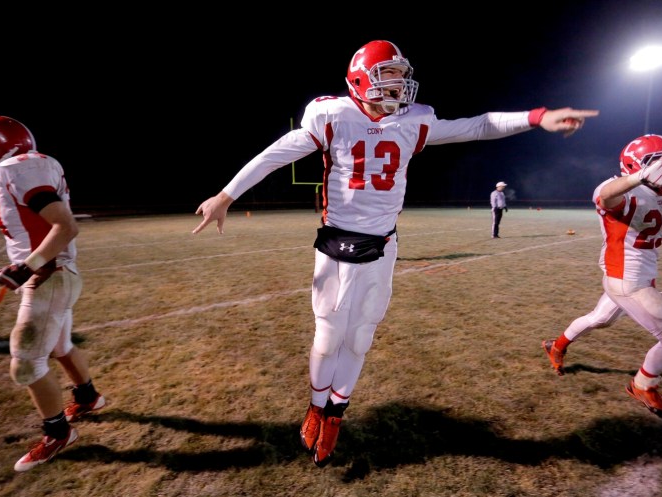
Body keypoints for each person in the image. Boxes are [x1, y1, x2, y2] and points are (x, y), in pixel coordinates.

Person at [192, 40, 599, 467]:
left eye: (402, 75)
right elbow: (276, 155)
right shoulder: (332, 115)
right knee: (329, 337)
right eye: (390, 74)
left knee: (362, 335)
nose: (400, 83)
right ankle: (316, 407)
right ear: (361, 77)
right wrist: (227, 194)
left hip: (383, 244)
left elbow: (479, 125)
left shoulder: (414, 121)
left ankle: (336, 415)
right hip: (336, 242)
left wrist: (537, 118)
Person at [541, 134, 662, 420]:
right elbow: (606, 196)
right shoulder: (623, 189)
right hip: (626, 279)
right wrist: (640, 176)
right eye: (659, 161)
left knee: (599, 319)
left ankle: (556, 346)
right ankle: (643, 385)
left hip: (639, 275)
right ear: (635, 166)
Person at [0, 116, 106, 472]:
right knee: (60, 346)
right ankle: (88, 397)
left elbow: (66, 226)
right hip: (55, 274)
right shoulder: (31, 164)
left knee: (25, 364)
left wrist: (24, 268)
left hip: (48, 277)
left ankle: (58, 433)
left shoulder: (20, 168)